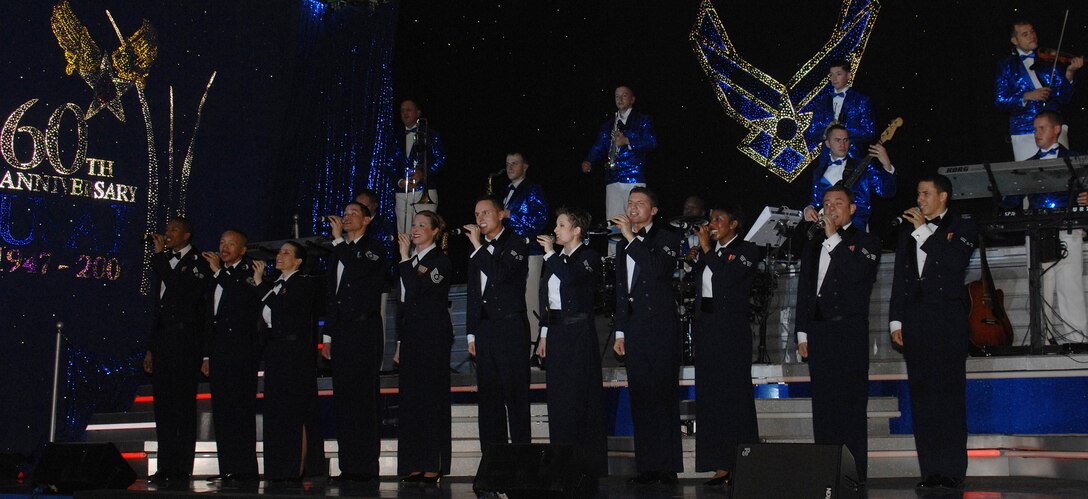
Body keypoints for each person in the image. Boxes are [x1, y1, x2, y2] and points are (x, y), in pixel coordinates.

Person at [889, 174, 977, 492]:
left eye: (926, 194)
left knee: (949, 396)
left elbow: (953, 263)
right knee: (923, 396)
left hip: (948, 320)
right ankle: (931, 469)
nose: (920, 199)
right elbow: (901, 276)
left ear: (943, 196)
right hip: (915, 319)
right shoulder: (907, 230)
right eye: (918, 193)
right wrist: (895, 321)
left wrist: (923, 230)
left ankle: (953, 469)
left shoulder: (962, 226)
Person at [795, 185, 881, 484]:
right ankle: (826, 472)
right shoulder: (813, 242)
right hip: (819, 331)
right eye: (826, 203)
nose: (830, 208)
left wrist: (833, 237)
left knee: (851, 406)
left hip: (849, 330)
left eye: (838, 203)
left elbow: (856, 273)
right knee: (824, 406)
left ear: (852, 208)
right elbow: (805, 290)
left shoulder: (866, 241)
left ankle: (853, 475)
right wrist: (802, 332)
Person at [611, 187, 684, 485]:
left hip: (661, 327)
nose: (633, 208)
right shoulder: (621, 246)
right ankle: (647, 465)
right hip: (635, 328)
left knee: (663, 395)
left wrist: (630, 238)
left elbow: (655, 270)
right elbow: (620, 290)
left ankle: (667, 467)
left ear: (653, 210)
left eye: (640, 204)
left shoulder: (667, 238)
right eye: (630, 203)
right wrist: (619, 330)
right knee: (640, 396)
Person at [689, 203, 760, 487]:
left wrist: (706, 249)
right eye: (710, 219)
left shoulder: (747, 250)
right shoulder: (711, 253)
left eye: (719, 219)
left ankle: (742, 462)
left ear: (734, 224)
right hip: (707, 330)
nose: (712, 223)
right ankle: (719, 465)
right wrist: (696, 258)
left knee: (735, 397)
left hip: (731, 332)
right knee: (710, 398)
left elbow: (727, 278)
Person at [535, 207, 607, 479]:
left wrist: (552, 254)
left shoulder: (588, 257)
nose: (555, 230)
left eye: (561, 225)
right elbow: (548, 300)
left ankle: (585, 465)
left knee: (579, 397)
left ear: (576, 230)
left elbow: (571, 278)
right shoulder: (554, 259)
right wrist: (543, 335)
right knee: (559, 399)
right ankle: (562, 461)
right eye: (556, 225)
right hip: (556, 333)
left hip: (577, 334)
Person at [321, 202, 387, 482]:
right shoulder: (339, 253)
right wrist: (328, 336)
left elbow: (359, 269)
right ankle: (348, 465)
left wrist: (338, 241)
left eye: (353, 214)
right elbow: (332, 295)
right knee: (344, 400)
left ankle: (367, 466)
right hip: (343, 332)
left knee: (364, 399)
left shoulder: (374, 249)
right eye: (344, 213)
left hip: (365, 330)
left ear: (367, 220)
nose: (346, 218)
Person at [1012, 111, 1088, 344]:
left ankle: (1078, 340)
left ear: (1057, 129)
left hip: (1068, 228)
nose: (1037, 134)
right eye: (1035, 130)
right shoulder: (1027, 165)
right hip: (1037, 231)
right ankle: (1041, 340)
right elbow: (1010, 198)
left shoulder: (1078, 160)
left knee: (1070, 285)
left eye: (1042, 128)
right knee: (1040, 285)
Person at [144, 217, 209, 485]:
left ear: (187, 235)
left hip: (185, 339)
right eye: (166, 229)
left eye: (173, 230)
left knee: (182, 404)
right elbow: (159, 310)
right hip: (164, 339)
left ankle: (182, 465)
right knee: (164, 406)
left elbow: (183, 292)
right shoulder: (165, 262)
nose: (167, 233)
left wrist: (159, 258)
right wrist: (151, 348)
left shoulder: (197, 262)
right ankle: (165, 465)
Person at [464, 195, 532, 450]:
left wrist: (478, 248)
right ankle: (493, 461)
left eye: (486, 213)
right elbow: (474, 293)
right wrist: (471, 333)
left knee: (515, 396)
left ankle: (522, 460)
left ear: (501, 215)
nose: (480, 218)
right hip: (485, 330)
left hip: (511, 328)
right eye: (477, 214)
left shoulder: (516, 243)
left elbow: (500, 275)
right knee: (489, 399)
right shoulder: (476, 249)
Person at [394, 211, 453, 485]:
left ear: (434, 232)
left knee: (430, 399)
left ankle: (433, 463)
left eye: (421, 225)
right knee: (411, 401)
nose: (415, 229)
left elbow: (418, 290)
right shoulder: (410, 262)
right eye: (413, 224)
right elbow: (403, 306)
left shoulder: (440, 262)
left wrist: (405, 258)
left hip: (432, 338)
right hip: (411, 337)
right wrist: (399, 342)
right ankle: (412, 463)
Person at [255, 242, 322, 482]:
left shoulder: (303, 283)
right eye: (279, 252)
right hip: (276, 352)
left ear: (298, 261)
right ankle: (277, 467)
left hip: (295, 354)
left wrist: (260, 284)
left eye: (286, 253)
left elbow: (283, 308)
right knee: (276, 410)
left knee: (295, 410)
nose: (279, 257)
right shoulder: (274, 285)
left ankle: (297, 467)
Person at [200, 230, 261, 483]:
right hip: (219, 350)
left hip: (241, 352)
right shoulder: (216, 275)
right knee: (222, 410)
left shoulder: (248, 274)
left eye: (231, 244)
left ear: (243, 250)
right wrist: (206, 355)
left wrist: (218, 272)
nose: (224, 248)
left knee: (240, 409)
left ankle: (245, 468)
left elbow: (241, 300)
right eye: (222, 243)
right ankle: (228, 468)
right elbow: (207, 316)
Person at [581, 85, 658, 251]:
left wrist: (628, 141)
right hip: (613, 177)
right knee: (614, 221)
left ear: (632, 99)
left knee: (636, 218)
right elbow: (599, 145)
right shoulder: (609, 124)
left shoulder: (642, 119)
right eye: (617, 96)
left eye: (624, 95)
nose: (620, 99)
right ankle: (614, 261)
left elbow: (651, 142)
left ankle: (638, 255)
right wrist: (589, 160)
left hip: (634, 176)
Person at [995, 20, 1083, 160]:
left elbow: (1065, 97)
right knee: (1029, 177)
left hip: (1054, 129)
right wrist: (1027, 96)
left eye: (1032, 32)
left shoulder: (1048, 60)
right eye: (1025, 34)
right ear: (1014, 40)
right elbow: (1000, 101)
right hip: (1024, 130)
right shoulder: (1006, 66)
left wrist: (1070, 73)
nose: (1032, 36)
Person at [501, 152, 550, 358]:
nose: (510, 167)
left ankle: (532, 350)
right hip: (510, 253)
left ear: (525, 167)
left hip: (530, 252)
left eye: (515, 163)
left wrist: (510, 215)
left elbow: (540, 220)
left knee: (530, 300)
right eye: (507, 164)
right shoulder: (507, 191)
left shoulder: (533, 189)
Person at [802, 124, 896, 231]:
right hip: (825, 229)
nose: (842, 144)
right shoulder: (819, 171)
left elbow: (887, 191)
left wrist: (887, 165)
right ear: (828, 143)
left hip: (855, 229)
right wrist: (809, 209)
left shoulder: (863, 167)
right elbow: (816, 201)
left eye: (845, 140)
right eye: (837, 140)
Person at [389, 99, 446, 232]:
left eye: (408, 110)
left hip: (425, 190)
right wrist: (400, 181)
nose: (404, 113)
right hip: (403, 191)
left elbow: (440, 159)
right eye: (402, 111)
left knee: (425, 231)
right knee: (405, 232)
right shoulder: (395, 138)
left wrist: (423, 173)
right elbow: (389, 164)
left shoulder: (431, 135)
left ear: (418, 113)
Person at [804, 59, 875, 157]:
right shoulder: (822, 102)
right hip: (827, 159)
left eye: (838, 74)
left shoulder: (861, 100)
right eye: (831, 75)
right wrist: (827, 132)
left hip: (853, 157)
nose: (834, 78)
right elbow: (811, 132)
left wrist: (842, 131)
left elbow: (869, 132)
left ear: (848, 75)